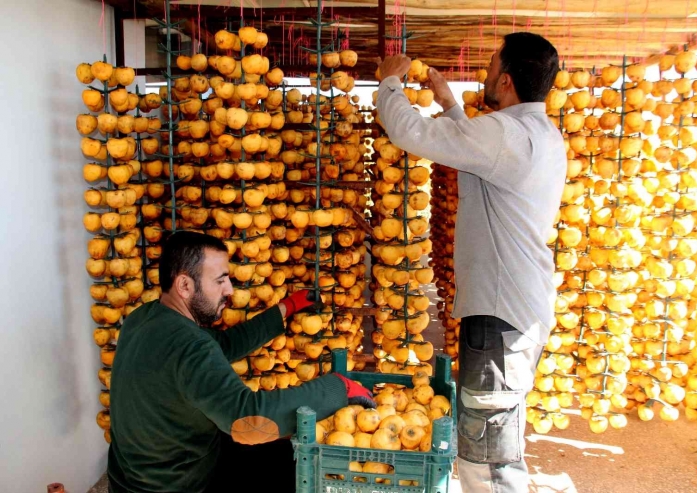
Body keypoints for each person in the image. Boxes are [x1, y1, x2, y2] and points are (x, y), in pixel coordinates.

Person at [376, 32, 565, 493]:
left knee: (488, 460)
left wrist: (388, 85)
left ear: (505, 81)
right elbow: (480, 154)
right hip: (518, 307)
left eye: (490, 65)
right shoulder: (539, 133)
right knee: (497, 437)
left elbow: (408, 133)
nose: (483, 73)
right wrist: (451, 108)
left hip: (501, 317)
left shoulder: (503, 134)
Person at [107, 231, 375, 493]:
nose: (230, 291)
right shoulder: (190, 346)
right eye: (220, 281)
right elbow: (249, 421)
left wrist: (286, 308)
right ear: (185, 286)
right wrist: (338, 388)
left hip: (131, 478)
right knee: (289, 460)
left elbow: (221, 346)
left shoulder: (143, 318)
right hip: (180, 483)